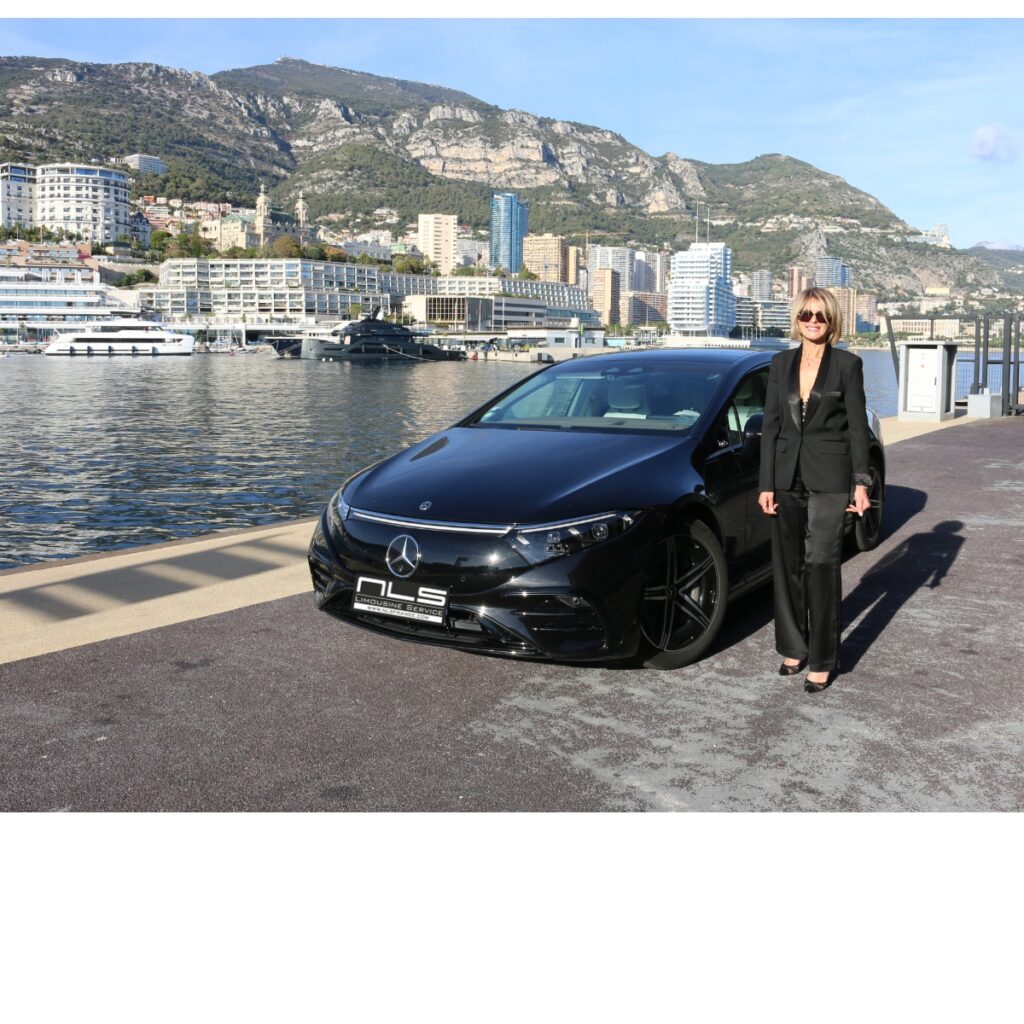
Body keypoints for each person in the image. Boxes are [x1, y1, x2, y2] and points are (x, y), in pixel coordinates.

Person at [757, 287, 872, 693]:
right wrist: (766, 483)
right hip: (786, 476)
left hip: (831, 478)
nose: (813, 321)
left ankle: (823, 658)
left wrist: (861, 482)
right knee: (788, 565)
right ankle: (794, 646)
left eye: (820, 315)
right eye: (806, 314)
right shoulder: (780, 363)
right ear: (797, 318)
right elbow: (771, 425)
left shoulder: (847, 365)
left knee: (821, 562)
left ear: (832, 320)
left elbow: (858, 428)